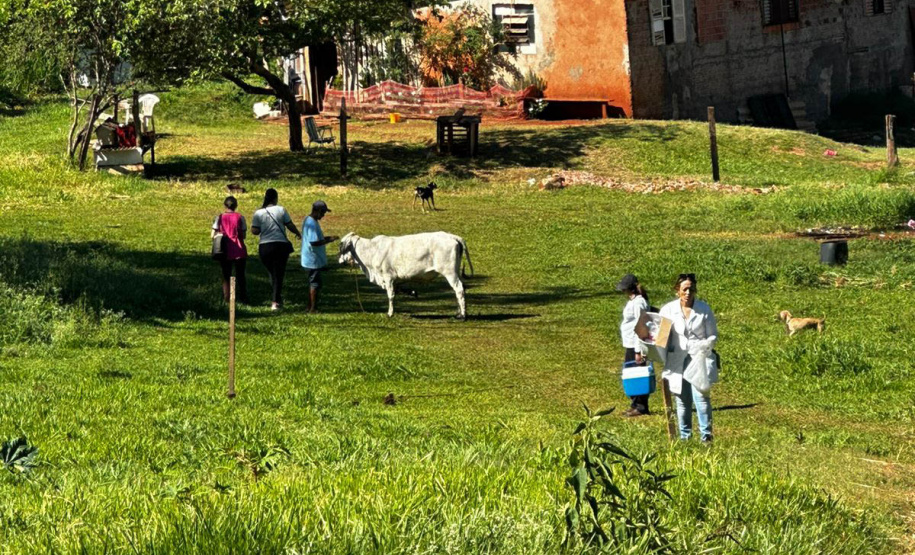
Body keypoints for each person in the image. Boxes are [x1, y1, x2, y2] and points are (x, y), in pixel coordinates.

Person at [659, 274, 719, 443]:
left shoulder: (703, 309)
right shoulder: (668, 310)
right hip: (677, 358)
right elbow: (661, 335)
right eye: (684, 289)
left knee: (701, 397)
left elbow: (713, 335)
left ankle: (706, 436)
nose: (688, 292)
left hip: (698, 358)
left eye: (691, 289)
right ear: (677, 291)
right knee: (682, 399)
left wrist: (703, 346)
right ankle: (685, 437)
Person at [251, 188, 301, 311]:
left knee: (273, 273)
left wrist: (264, 227)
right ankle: (276, 301)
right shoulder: (281, 210)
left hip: (265, 246)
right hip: (280, 245)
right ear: (275, 198)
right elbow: (289, 225)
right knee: (278, 273)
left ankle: (276, 298)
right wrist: (298, 233)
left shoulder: (258, 213)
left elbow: (254, 231)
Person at [616, 274, 650, 417]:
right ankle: (635, 403)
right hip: (630, 343)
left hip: (635, 345)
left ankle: (641, 406)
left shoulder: (638, 303)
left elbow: (641, 325)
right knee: (631, 373)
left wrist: (638, 350)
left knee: (638, 374)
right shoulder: (634, 301)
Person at [300, 200, 338, 313]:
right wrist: (329, 240)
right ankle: (313, 308)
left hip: (310, 259)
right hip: (312, 260)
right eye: (323, 213)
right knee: (315, 284)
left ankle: (309, 306)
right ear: (317, 211)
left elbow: (316, 239)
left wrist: (328, 238)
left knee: (314, 283)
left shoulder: (309, 220)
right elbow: (314, 242)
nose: (323, 215)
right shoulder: (311, 223)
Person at [212, 196, 249, 304]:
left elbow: (213, 234)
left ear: (225, 205)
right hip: (239, 249)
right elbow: (244, 235)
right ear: (236, 206)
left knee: (226, 275)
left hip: (224, 249)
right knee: (241, 274)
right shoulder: (240, 217)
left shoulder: (219, 217)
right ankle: (243, 297)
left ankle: (227, 298)